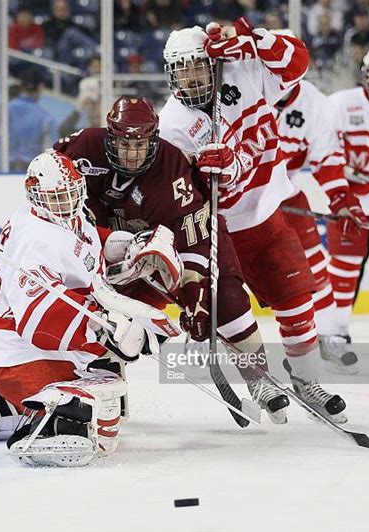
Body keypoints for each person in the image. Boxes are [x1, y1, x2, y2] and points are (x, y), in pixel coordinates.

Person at [0, 150, 180, 467]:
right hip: (15, 350)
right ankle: (36, 418)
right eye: (56, 199)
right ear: (34, 195)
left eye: (70, 196)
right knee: (97, 400)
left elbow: (87, 244)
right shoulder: (35, 241)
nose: (64, 205)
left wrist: (128, 246)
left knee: (106, 375)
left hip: (31, 344)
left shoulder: (62, 217)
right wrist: (105, 331)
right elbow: (38, 318)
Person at [54, 96, 291, 423]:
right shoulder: (84, 146)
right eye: (124, 142)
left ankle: (260, 378)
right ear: (110, 137)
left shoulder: (172, 172)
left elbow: (192, 244)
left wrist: (195, 297)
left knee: (226, 300)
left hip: (187, 239)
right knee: (101, 318)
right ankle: (107, 391)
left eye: (141, 143)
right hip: (118, 248)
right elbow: (49, 173)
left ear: (155, 139)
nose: (132, 153)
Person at [158, 19, 348, 422]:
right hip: (220, 228)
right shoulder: (173, 125)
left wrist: (253, 37)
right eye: (180, 69)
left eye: (196, 65)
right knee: (232, 309)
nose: (188, 77)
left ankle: (306, 379)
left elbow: (298, 63)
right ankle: (258, 378)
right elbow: (183, 196)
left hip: (267, 212)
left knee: (296, 297)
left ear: (213, 63)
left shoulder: (242, 67)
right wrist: (216, 178)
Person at [274, 54, 365, 374]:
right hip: (243, 198)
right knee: (223, 267)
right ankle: (202, 338)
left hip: (287, 195)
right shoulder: (246, 92)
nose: (281, 81)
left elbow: (327, 160)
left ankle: (328, 335)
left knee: (313, 266)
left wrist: (340, 199)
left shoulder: (315, 104)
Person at [326, 43, 369, 343]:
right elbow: (324, 148)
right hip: (352, 202)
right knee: (345, 269)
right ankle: (337, 332)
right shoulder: (341, 104)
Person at [0, 70, 58, 172]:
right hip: (30, 173)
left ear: (21, 87)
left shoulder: (0, 111)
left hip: (0, 170)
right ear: (40, 87)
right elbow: (50, 154)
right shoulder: (46, 118)